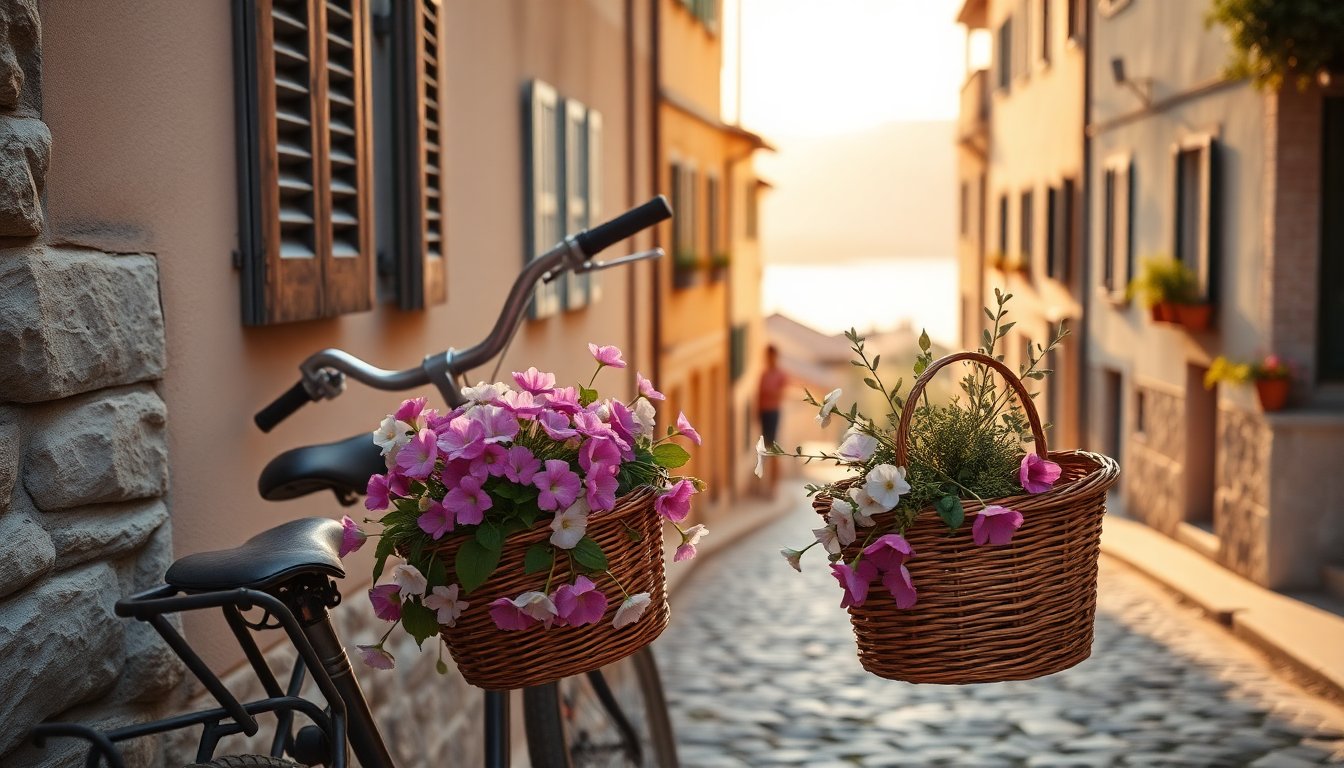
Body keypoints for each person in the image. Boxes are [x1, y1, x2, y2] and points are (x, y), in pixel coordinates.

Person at [756, 344, 787, 496]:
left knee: (773, 449)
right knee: (764, 449)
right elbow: (759, 395)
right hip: (764, 412)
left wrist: (770, 393)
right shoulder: (764, 374)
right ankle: (765, 484)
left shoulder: (780, 375)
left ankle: (774, 486)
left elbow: (780, 395)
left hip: (773, 412)